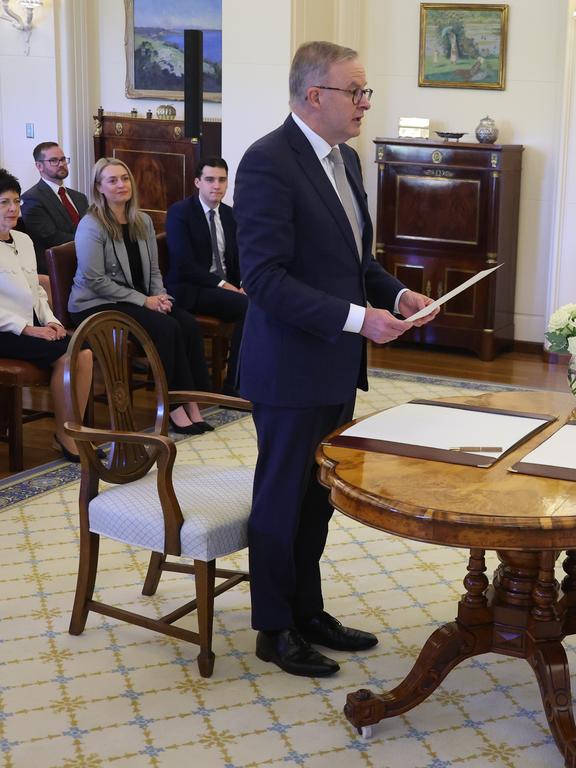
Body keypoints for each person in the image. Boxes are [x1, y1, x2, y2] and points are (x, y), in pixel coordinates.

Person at [234, 41, 437, 678]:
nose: (366, 104)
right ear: (314, 95)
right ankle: (274, 627)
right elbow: (264, 278)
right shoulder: (267, 162)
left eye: (366, 91)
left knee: (319, 494)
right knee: (281, 496)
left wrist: (396, 293)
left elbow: (354, 263)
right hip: (290, 366)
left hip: (333, 363)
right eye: (357, 92)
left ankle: (309, 610)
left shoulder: (346, 160)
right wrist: (358, 321)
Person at [69, 158, 213, 435]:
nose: (121, 184)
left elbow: (155, 269)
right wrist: (144, 301)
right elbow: (94, 280)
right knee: (168, 328)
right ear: (99, 187)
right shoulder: (91, 225)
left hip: (138, 299)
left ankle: (192, 402)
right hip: (97, 304)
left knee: (187, 323)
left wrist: (159, 296)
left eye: (125, 178)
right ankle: (171, 406)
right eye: (112, 180)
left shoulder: (142, 220)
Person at [0, 168, 94, 462]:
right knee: (67, 356)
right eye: (4, 202)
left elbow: (36, 291)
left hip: (30, 325)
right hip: (6, 331)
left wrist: (51, 321)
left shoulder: (23, 240)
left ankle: (73, 431)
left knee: (84, 352)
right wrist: (29, 330)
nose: (14, 208)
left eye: (16, 201)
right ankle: (66, 436)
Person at [164, 158, 247, 395]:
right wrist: (224, 285)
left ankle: (251, 376)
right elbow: (184, 264)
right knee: (249, 307)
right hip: (189, 288)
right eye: (210, 180)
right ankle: (234, 387)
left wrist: (243, 284)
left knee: (260, 301)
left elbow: (240, 257)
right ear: (197, 182)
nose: (216, 186)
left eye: (222, 180)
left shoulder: (231, 215)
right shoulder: (180, 212)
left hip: (221, 290)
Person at [19, 142, 89, 274]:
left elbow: (91, 227)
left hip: (88, 261)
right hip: (59, 267)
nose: (61, 164)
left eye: (63, 159)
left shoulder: (80, 197)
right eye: (54, 161)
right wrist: (92, 241)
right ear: (39, 166)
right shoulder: (31, 198)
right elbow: (51, 237)